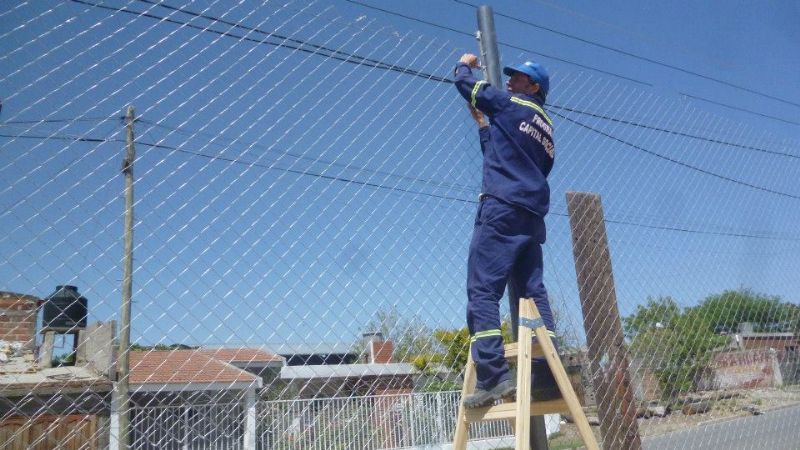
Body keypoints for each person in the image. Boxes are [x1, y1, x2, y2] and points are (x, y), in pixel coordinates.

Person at [455, 53, 558, 408]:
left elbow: (467, 86)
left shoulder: (512, 103)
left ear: (534, 87)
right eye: (510, 76)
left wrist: (463, 63)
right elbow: (506, 155)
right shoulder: (546, 127)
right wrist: (485, 126)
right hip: (530, 215)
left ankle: (493, 377)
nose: (510, 81)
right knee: (532, 292)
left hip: (500, 208)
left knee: (483, 289)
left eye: (517, 78)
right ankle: (548, 375)